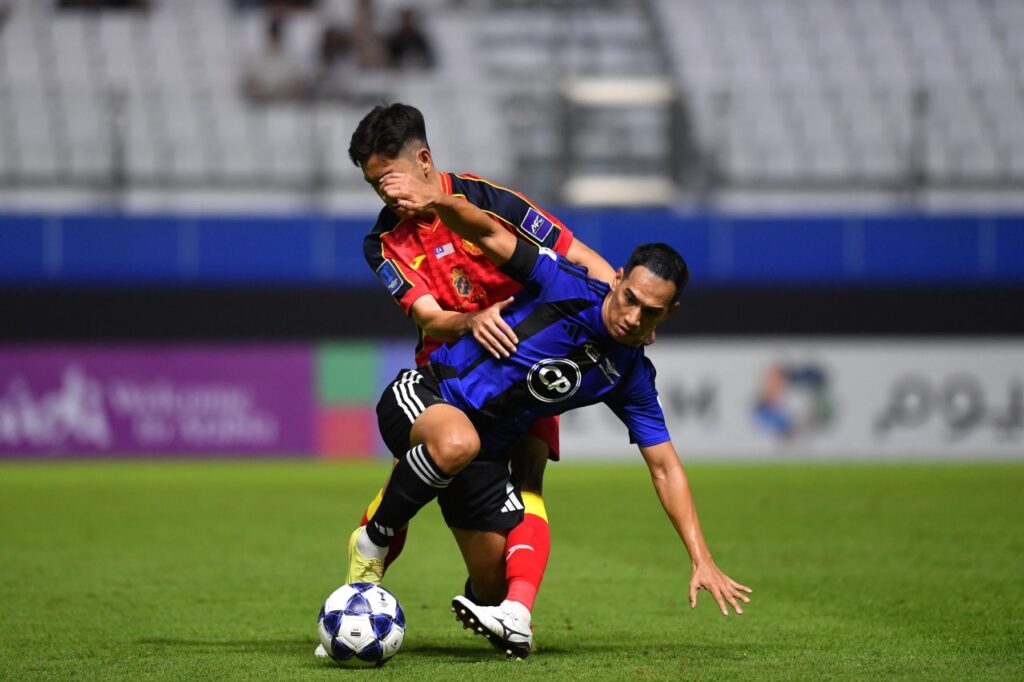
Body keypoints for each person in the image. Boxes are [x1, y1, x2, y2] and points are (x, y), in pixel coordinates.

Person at [340, 170, 751, 660]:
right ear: (617, 279)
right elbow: (489, 232)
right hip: (431, 392)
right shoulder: (562, 282)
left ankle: (506, 609)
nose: (633, 317)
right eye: (631, 299)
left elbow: (665, 467)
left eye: (651, 312)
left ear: (670, 313)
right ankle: (373, 542)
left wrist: (701, 558)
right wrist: (438, 199)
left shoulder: (632, 377)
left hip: (485, 450)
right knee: (455, 444)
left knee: (491, 587)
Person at [347, 103, 617, 631]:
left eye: (390, 179)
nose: (385, 194)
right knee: (424, 467)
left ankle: (506, 605)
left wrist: (628, 310)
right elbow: (428, 316)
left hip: (530, 370)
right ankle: (362, 574)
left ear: (424, 161)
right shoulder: (382, 242)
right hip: (452, 379)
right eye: (375, 185)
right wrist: (472, 322)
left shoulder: (491, 201)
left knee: (529, 478)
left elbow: (580, 257)